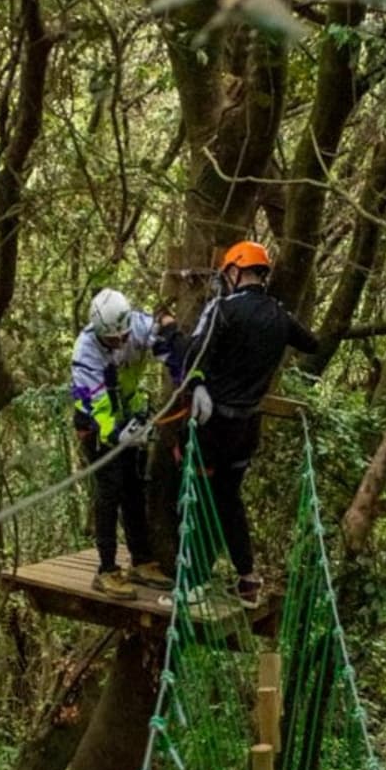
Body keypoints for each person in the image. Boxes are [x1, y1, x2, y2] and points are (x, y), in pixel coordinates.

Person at [182, 241, 318, 608]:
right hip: (247, 427)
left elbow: (193, 356)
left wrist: (197, 384)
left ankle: (192, 585)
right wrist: (280, 321)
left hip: (214, 424)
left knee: (197, 500)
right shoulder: (279, 315)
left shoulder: (222, 311)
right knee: (229, 500)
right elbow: (311, 343)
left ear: (235, 271)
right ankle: (247, 580)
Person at [71, 288, 177, 599]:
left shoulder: (138, 326)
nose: (119, 342)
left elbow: (164, 348)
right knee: (110, 490)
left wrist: (182, 364)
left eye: (122, 336)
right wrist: (118, 434)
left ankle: (141, 560)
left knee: (134, 488)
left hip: (129, 415)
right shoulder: (85, 352)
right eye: (112, 339)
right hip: (96, 427)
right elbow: (96, 405)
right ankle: (106, 569)